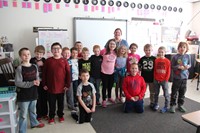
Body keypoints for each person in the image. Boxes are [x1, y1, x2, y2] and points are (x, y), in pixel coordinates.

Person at [15, 47, 45, 133]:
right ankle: (22, 130)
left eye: (28, 54)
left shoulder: (34, 66)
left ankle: (34, 123)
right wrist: (32, 83)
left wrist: (38, 81)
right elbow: (18, 83)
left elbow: (37, 77)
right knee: (23, 115)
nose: (26, 56)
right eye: (24, 55)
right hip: (24, 95)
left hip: (33, 93)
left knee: (33, 110)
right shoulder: (19, 68)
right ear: (21, 57)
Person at [42, 42, 71, 124]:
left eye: (58, 48)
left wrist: (67, 84)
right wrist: (44, 84)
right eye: (54, 48)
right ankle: (51, 117)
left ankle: (60, 115)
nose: (56, 50)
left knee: (61, 103)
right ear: (51, 50)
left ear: (61, 50)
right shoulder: (48, 61)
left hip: (62, 87)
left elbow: (68, 74)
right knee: (51, 104)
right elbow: (44, 74)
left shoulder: (64, 61)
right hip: (51, 87)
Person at [169, 42, 191, 113]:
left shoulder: (188, 56)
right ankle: (172, 105)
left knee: (182, 92)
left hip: (184, 78)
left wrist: (188, 66)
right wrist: (178, 67)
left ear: (186, 49)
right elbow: (172, 66)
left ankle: (180, 105)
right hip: (176, 78)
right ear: (178, 48)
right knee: (174, 92)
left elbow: (189, 64)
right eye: (181, 47)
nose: (182, 48)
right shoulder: (175, 57)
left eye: (184, 47)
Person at [30, 45, 48, 122]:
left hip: (43, 82)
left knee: (44, 98)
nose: (39, 55)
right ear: (34, 52)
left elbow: (47, 71)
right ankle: (38, 115)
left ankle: (45, 114)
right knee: (37, 99)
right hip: (35, 82)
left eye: (40, 54)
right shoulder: (31, 60)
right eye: (37, 53)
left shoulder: (45, 60)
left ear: (43, 54)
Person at [138, 44, 156, 109]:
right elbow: (139, 68)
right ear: (144, 50)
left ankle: (152, 102)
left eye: (149, 50)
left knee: (152, 91)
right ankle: (141, 101)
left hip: (152, 78)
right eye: (146, 50)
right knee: (143, 91)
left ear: (152, 50)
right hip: (144, 78)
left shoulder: (154, 59)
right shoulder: (142, 59)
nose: (148, 51)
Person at [153, 46, 171, 113]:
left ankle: (166, 106)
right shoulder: (156, 60)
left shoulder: (167, 61)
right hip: (156, 80)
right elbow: (155, 70)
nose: (161, 53)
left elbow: (168, 71)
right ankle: (156, 104)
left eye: (162, 52)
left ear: (165, 52)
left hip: (164, 80)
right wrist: (155, 78)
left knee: (166, 94)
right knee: (156, 93)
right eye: (159, 52)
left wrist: (166, 79)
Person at [101, 39, 117, 108]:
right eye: (111, 44)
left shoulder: (116, 52)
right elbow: (97, 54)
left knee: (110, 86)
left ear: (115, 45)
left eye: (113, 44)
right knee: (104, 86)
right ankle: (104, 100)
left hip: (112, 72)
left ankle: (110, 97)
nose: (112, 45)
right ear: (108, 44)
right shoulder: (103, 51)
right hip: (104, 72)